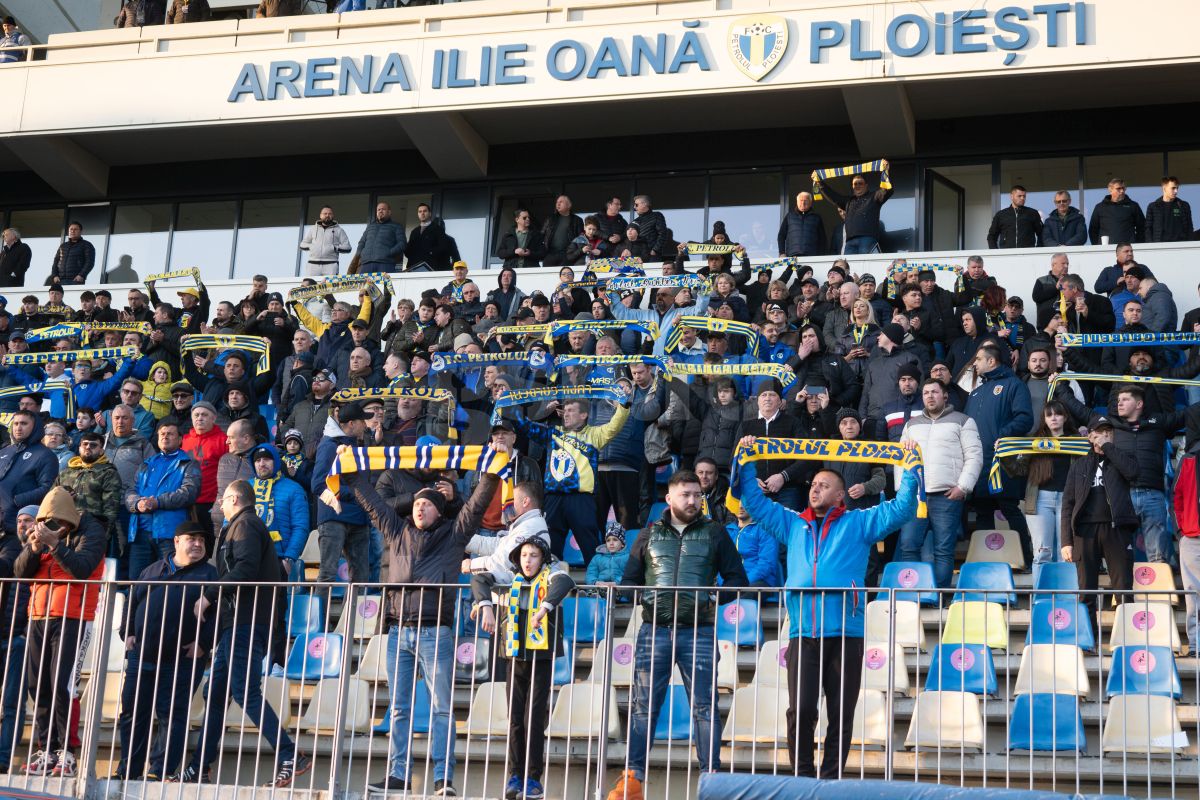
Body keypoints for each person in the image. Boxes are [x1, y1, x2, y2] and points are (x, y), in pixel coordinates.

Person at [736, 437, 917, 778]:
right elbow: (755, 503)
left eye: (824, 485)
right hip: (803, 632)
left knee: (841, 712)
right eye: (813, 484)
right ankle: (803, 777)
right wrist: (746, 462)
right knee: (801, 709)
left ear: (840, 495)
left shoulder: (859, 523)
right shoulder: (792, 524)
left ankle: (831, 779)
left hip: (846, 634)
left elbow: (903, 509)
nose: (815, 489)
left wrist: (908, 468)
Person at [344, 441, 504, 798]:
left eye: (427, 504)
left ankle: (443, 779)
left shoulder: (454, 533)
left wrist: (492, 471)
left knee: (442, 709)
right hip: (399, 631)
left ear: (439, 511)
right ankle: (399, 774)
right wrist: (351, 473)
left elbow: (477, 503)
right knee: (399, 709)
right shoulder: (397, 531)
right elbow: (372, 502)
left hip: (436, 632)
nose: (419, 508)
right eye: (416, 503)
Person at [607, 471, 747, 800]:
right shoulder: (649, 533)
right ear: (668, 499)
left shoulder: (715, 533)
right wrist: (633, 594)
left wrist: (712, 597)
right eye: (685, 494)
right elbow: (630, 581)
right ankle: (633, 780)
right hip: (653, 631)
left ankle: (711, 779)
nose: (693, 500)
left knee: (705, 707)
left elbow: (737, 579)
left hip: (699, 632)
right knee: (643, 707)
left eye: (697, 495)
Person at [175, 480, 310, 787]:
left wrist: (209, 594)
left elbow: (246, 569)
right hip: (235, 624)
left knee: (244, 690)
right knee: (217, 694)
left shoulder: (246, 524)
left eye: (222, 499)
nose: (218, 503)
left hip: (248, 623)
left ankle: (290, 753)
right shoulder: (239, 525)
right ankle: (199, 766)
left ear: (234, 499)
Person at [471, 535, 574, 800]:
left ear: (543, 559)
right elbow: (480, 579)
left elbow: (565, 582)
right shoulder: (510, 579)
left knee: (534, 718)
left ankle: (533, 778)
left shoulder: (551, 575)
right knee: (516, 718)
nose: (528, 561)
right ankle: (515, 774)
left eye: (534, 556)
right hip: (514, 655)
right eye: (525, 555)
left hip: (540, 657)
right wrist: (484, 606)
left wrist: (544, 610)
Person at [15, 488, 107, 778]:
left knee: (62, 685)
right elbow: (19, 573)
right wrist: (33, 547)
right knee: (36, 684)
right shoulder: (41, 537)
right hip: (38, 615)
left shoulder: (92, 532)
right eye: (46, 521)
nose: (50, 525)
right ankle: (47, 749)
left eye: (56, 520)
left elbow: (81, 568)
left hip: (74, 616)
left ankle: (67, 752)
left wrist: (56, 545)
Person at [116, 521, 217, 781]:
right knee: (132, 713)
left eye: (202, 541)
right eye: (191, 538)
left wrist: (204, 643)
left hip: (180, 660)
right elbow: (132, 600)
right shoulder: (151, 570)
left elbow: (221, 614)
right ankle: (127, 770)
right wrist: (127, 632)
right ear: (176, 541)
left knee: (171, 715)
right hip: (143, 656)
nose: (197, 544)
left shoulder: (209, 575)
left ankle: (159, 771)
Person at [509, 395, 630, 566]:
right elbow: (525, 425)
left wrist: (623, 405)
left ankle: (597, 588)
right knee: (549, 548)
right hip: (553, 498)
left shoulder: (594, 435)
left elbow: (615, 425)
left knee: (591, 547)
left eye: (571, 411)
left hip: (581, 500)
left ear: (584, 415)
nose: (566, 414)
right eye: (564, 411)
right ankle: (550, 586)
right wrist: (512, 402)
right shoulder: (553, 433)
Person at [896, 379, 983, 587]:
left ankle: (939, 597)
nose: (929, 396)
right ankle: (915, 595)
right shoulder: (911, 425)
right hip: (915, 497)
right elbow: (900, 460)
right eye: (926, 393)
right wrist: (902, 491)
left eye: (934, 392)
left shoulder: (964, 421)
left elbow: (975, 456)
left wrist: (963, 487)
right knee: (908, 545)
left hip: (946, 496)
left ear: (945, 396)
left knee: (943, 550)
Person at [1060, 414, 1137, 617]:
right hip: (1085, 532)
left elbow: (1133, 472)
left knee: (1123, 591)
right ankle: (1088, 644)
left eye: (1108, 432)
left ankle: (1126, 642)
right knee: (1086, 592)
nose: (1104, 435)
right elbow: (1068, 504)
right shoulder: (1079, 464)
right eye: (1099, 432)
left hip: (1116, 529)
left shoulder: (1122, 457)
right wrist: (1066, 541)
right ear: (1090, 436)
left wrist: (1108, 448)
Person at [965, 343, 1034, 564]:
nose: (975, 363)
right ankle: (988, 561)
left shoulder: (1014, 385)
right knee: (984, 511)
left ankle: (1025, 557)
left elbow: (1025, 418)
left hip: (1004, 461)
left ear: (991, 361)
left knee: (1009, 508)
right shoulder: (975, 392)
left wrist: (1003, 435)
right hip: (979, 462)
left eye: (978, 359)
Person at [126, 420, 202, 581]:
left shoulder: (188, 464)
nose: (165, 437)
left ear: (180, 439)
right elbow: (131, 491)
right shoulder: (146, 464)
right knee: (136, 581)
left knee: (169, 581)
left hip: (170, 533)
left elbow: (189, 492)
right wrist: (137, 503)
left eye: (170, 434)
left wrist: (158, 502)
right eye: (162, 434)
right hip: (140, 533)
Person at [312, 402, 373, 585]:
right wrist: (356, 494)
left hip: (358, 517)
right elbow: (317, 483)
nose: (366, 425)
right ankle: (320, 615)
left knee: (361, 576)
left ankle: (355, 614)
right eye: (363, 421)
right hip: (334, 518)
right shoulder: (330, 445)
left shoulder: (357, 445)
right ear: (352, 424)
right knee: (327, 574)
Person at [0, 505, 32, 773]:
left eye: (29, 520)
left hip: (18, 637)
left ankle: (3, 759)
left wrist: (25, 631)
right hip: (3, 633)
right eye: (20, 520)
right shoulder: (9, 545)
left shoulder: (26, 550)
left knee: (12, 702)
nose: (23, 524)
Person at [54, 431, 123, 551]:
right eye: (84, 444)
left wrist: (104, 535)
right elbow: (50, 500)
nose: (88, 447)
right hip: (62, 529)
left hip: (91, 531)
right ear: (79, 448)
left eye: (93, 445)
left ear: (101, 451)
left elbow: (111, 509)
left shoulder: (108, 473)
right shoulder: (65, 472)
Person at [249, 443, 309, 568]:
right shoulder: (245, 487)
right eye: (258, 460)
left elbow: (300, 526)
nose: (261, 463)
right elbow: (230, 521)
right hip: (247, 556)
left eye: (266, 459)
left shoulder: (294, 489)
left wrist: (290, 557)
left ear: (276, 461)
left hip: (279, 558)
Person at [0, 410, 57, 533]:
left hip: (20, 523)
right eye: (15, 424)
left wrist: (17, 500)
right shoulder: (5, 451)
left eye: (24, 423)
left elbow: (48, 488)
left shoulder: (45, 455)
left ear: (35, 426)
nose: (18, 428)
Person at [814, 165, 892, 254]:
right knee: (849, 267)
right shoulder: (848, 201)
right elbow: (833, 197)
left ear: (866, 185)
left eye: (860, 183)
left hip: (867, 239)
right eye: (855, 184)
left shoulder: (874, 197)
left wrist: (886, 171)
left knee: (864, 264)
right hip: (850, 241)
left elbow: (887, 190)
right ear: (852, 186)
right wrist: (819, 183)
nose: (857, 185)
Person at [1089, 177, 1145, 244]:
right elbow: (1093, 230)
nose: (1122, 191)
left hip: (1128, 248)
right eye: (1118, 188)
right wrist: (1098, 247)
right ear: (1110, 190)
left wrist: (1137, 244)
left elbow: (1142, 227)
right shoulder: (1100, 207)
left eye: (1123, 188)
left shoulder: (1133, 206)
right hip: (1106, 249)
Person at [299, 205, 352, 276]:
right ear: (320, 216)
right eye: (325, 213)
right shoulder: (313, 229)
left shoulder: (339, 230)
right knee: (310, 285)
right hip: (313, 264)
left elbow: (348, 247)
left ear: (333, 216)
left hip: (331, 264)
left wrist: (334, 248)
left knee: (330, 286)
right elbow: (302, 244)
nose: (327, 215)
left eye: (330, 214)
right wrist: (312, 246)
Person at [356, 202, 406, 272]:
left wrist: (389, 253)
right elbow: (361, 242)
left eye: (383, 209)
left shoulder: (396, 226)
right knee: (365, 283)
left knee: (383, 283)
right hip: (366, 264)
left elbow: (402, 244)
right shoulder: (370, 227)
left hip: (385, 263)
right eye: (378, 210)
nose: (380, 211)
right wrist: (361, 253)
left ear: (389, 212)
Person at [776, 191, 826, 257]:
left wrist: (821, 256)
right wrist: (782, 253)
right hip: (792, 256)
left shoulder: (816, 218)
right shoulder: (789, 216)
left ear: (810, 203)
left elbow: (823, 239)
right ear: (797, 202)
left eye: (806, 200)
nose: (803, 203)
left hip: (811, 257)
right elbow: (781, 236)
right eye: (801, 200)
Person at [406, 203, 453, 272]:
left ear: (430, 213)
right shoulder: (414, 231)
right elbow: (410, 249)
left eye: (425, 211)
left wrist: (430, 252)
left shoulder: (438, 229)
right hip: (415, 267)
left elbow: (443, 247)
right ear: (418, 214)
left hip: (432, 267)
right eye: (420, 211)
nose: (422, 213)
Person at [1146, 176, 1194, 242]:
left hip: (1181, 246)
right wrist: (1151, 246)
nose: (1176, 191)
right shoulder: (1153, 206)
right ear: (1164, 188)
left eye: (1177, 188)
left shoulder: (1184, 205)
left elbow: (1189, 228)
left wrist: (1189, 245)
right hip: (1160, 246)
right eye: (1173, 188)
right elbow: (1148, 229)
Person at [540, 195, 583, 267]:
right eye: (557, 202)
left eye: (561, 202)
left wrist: (576, 253)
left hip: (567, 255)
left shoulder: (577, 220)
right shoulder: (550, 219)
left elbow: (580, 239)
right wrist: (543, 251)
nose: (558, 204)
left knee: (566, 276)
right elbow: (541, 235)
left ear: (569, 205)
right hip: (550, 254)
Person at [585, 522, 629, 587]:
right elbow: (590, 574)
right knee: (595, 592)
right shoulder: (597, 558)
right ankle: (590, 595)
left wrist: (616, 583)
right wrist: (595, 582)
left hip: (619, 588)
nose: (611, 543)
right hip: (600, 588)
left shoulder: (628, 557)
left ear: (622, 544)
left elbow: (630, 575)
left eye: (615, 540)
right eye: (608, 540)